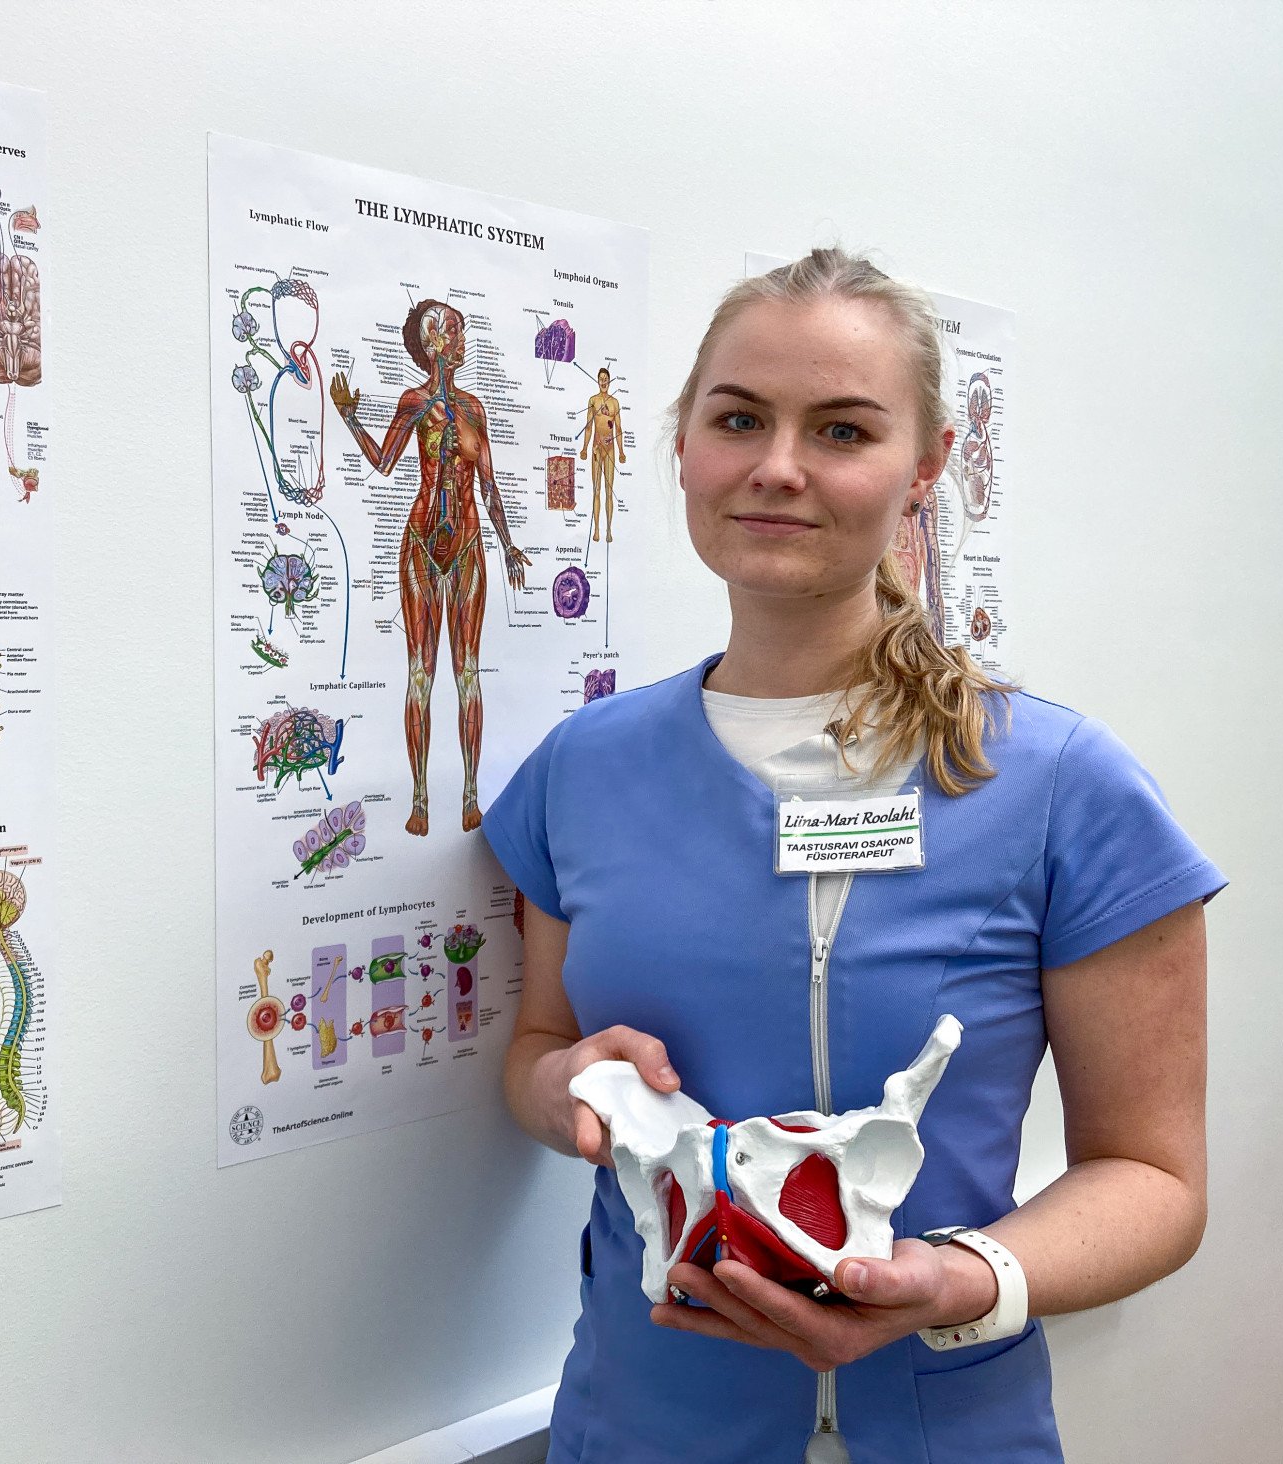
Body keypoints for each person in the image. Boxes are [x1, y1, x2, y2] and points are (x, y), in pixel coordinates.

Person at [484, 248, 1222, 1462]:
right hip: (638, 1426)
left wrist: (955, 1281)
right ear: (684, 442)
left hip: (945, 1430)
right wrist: (564, 1087)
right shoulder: (583, 770)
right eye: (738, 420)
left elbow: (1153, 1179)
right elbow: (533, 1052)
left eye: (841, 430)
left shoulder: (1060, 787)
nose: (777, 467)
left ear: (925, 466)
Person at [329, 299, 530, 836]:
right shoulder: (415, 402)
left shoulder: (475, 408)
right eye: (456, 331)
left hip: (466, 542)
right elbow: (384, 462)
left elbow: (488, 485)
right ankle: (419, 799)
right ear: (435, 341)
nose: (464, 339)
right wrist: (349, 417)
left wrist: (508, 544)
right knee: (421, 672)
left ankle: (470, 796)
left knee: (468, 673)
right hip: (421, 541)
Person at [577, 366, 625, 543]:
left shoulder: (615, 403)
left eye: (606, 379)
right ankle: (596, 529)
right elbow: (589, 427)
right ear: (598, 381)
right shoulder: (593, 401)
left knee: (609, 491)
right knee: (596, 490)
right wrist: (584, 448)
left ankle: (609, 530)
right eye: (601, 379)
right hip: (597, 448)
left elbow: (618, 429)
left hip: (610, 449)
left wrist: (621, 451)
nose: (603, 381)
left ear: (609, 381)